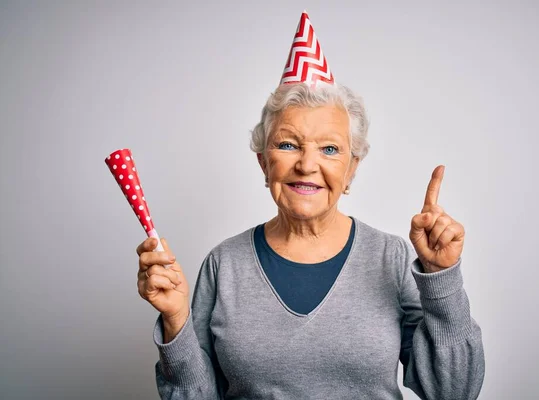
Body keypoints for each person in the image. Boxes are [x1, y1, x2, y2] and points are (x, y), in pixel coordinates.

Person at [135, 12, 484, 400]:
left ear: (351, 169)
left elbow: (455, 391)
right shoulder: (224, 265)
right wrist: (176, 321)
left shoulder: (392, 257)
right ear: (263, 162)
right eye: (288, 144)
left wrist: (442, 278)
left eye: (330, 149)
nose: (307, 164)